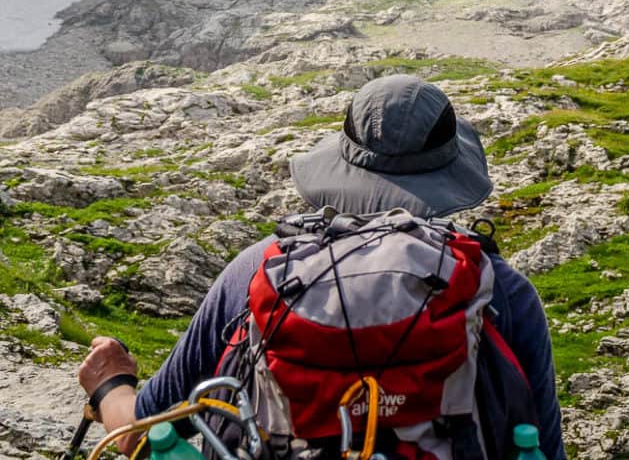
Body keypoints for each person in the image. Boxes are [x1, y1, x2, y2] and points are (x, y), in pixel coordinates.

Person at [79, 75, 566, 460]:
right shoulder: (499, 290)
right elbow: (542, 446)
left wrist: (110, 382)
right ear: (449, 171)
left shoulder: (257, 271)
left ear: (342, 164)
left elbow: (140, 435)